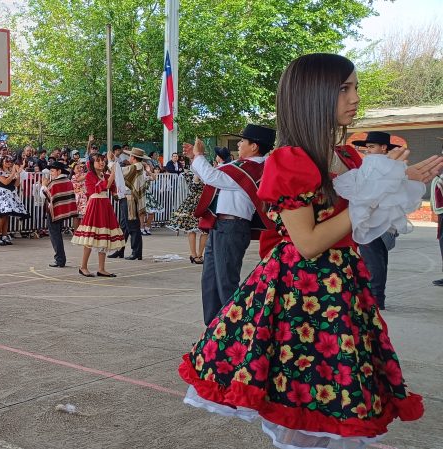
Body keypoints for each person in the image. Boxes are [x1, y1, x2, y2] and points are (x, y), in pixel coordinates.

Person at [180, 52, 435, 449]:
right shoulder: (292, 160)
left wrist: (400, 185)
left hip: (341, 285)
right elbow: (310, 241)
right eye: (344, 89)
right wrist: (375, 192)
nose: (354, 98)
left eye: (355, 88)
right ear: (312, 95)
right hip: (303, 292)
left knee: (331, 393)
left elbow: (362, 231)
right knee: (304, 395)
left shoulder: (348, 156)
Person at [187, 124, 275, 325]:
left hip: (231, 227)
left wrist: (198, 156)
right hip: (221, 225)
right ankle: (212, 332)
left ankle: (229, 331)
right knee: (210, 281)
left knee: (225, 282)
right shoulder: (244, 166)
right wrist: (196, 157)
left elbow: (212, 177)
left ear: (254, 147)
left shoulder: (252, 167)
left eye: (243, 141)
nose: (240, 144)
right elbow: (213, 176)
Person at [352, 131, 402, 310]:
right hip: (372, 220)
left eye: (372, 147)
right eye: (367, 147)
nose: (368, 151)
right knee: (376, 261)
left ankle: (375, 300)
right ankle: (376, 299)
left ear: (383, 148)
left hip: (376, 221)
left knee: (375, 263)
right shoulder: (374, 166)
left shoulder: (387, 167)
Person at [71, 153, 125, 277]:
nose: (101, 163)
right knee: (90, 237)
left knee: (103, 236)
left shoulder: (104, 174)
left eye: (103, 160)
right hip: (95, 205)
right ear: (92, 163)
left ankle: (101, 268)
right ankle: (83, 266)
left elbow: (112, 188)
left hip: (105, 204)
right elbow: (104, 186)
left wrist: (117, 188)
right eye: (98, 161)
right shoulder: (89, 175)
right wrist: (112, 174)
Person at [166, 165, 208, 264]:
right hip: (194, 203)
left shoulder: (205, 173)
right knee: (192, 229)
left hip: (204, 202)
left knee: (205, 230)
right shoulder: (190, 174)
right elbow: (194, 187)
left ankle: (199, 254)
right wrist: (198, 175)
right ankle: (194, 255)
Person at [41, 161, 77, 268]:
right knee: (57, 234)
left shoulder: (54, 183)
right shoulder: (67, 181)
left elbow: (45, 195)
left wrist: (43, 185)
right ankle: (61, 258)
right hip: (62, 211)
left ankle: (60, 259)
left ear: (59, 171)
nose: (51, 173)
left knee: (55, 235)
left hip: (54, 212)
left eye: (52, 171)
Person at [118, 148, 151, 260]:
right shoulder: (138, 167)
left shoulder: (136, 167)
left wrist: (111, 162)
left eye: (130, 156)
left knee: (132, 226)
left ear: (133, 157)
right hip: (128, 197)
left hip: (130, 199)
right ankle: (121, 250)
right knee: (125, 226)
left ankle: (136, 251)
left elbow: (120, 172)